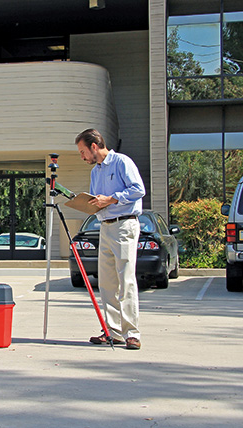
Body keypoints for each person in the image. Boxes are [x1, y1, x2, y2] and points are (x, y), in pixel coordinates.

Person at [75, 128, 146, 350]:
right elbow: (98, 200)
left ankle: (132, 334)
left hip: (124, 225)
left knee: (126, 279)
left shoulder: (122, 162)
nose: (82, 157)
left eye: (82, 151)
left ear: (94, 146)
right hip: (104, 228)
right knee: (106, 282)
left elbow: (138, 190)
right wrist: (88, 203)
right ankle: (113, 332)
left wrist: (112, 199)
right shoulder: (95, 172)